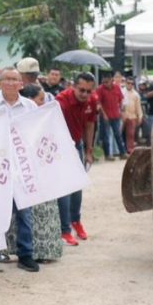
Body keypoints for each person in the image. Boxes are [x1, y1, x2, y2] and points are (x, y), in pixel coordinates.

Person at [0, 68, 40, 272]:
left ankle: (25, 254)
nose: (11, 83)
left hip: (22, 168)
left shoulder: (30, 106)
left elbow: (37, 132)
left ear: (21, 84)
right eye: (7, 79)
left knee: (24, 213)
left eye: (15, 79)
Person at [14, 84, 65, 264]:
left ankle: (44, 250)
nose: (43, 103)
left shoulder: (41, 118)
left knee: (43, 214)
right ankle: (30, 251)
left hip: (41, 172)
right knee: (30, 216)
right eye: (40, 99)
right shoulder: (25, 118)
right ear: (30, 100)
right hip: (26, 173)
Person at [55, 73, 98, 247]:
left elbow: (90, 125)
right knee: (65, 188)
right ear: (73, 86)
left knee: (77, 186)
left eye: (89, 91)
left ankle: (76, 220)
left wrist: (89, 150)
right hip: (60, 147)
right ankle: (64, 230)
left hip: (77, 144)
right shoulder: (61, 102)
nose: (85, 94)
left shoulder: (92, 101)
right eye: (82, 90)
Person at [96, 72, 126, 160]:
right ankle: (108, 155)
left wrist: (121, 109)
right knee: (106, 136)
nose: (105, 84)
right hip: (105, 116)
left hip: (115, 115)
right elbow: (99, 103)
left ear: (111, 80)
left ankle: (122, 153)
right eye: (103, 82)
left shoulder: (117, 87)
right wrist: (104, 114)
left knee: (118, 135)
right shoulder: (100, 89)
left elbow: (121, 99)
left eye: (107, 82)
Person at [121, 77, 143, 154]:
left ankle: (130, 150)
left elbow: (138, 107)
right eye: (128, 83)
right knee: (119, 133)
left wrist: (140, 116)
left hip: (132, 116)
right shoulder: (121, 92)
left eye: (132, 83)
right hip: (122, 116)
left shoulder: (136, 95)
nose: (130, 85)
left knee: (131, 134)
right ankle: (121, 150)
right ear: (125, 83)